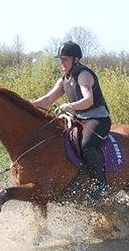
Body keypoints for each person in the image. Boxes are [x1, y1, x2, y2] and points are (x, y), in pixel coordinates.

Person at [31, 41, 111, 200]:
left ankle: (101, 185)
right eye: (61, 59)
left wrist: (68, 106)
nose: (62, 63)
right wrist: (25, 105)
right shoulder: (64, 80)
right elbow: (47, 99)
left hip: (97, 118)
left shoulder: (84, 75)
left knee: (86, 145)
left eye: (65, 59)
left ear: (76, 59)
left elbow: (88, 100)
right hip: (79, 118)